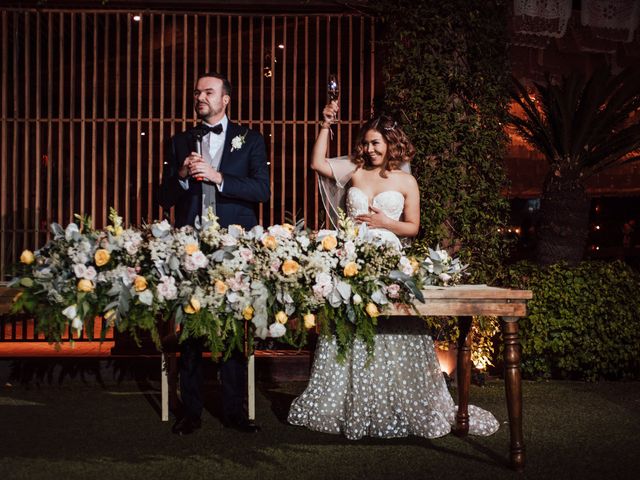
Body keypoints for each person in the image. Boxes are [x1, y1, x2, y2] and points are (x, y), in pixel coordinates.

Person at [287, 101, 499, 439]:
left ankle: (397, 399)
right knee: (353, 326)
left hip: (390, 262)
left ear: (390, 144)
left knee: (391, 324)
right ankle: (352, 401)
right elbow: (316, 163)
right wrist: (325, 125)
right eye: (366, 143)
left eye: (376, 143)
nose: (369, 149)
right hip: (352, 260)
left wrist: (387, 222)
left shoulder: (405, 181)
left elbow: (412, 228)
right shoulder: (355, 172)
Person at [159, 72, 270, 435]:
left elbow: (261, 191)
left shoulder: (250, 140)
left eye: (209, 91)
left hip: (235, 246)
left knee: (234, 330)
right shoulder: (179, 140)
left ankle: (234, 411)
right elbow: (165, 199)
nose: (200, 96)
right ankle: (190, 412)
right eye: (197, 92)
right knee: (191, 328)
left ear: (226, 99)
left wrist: (218, 176)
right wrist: (180, 176)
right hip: (191, 246)